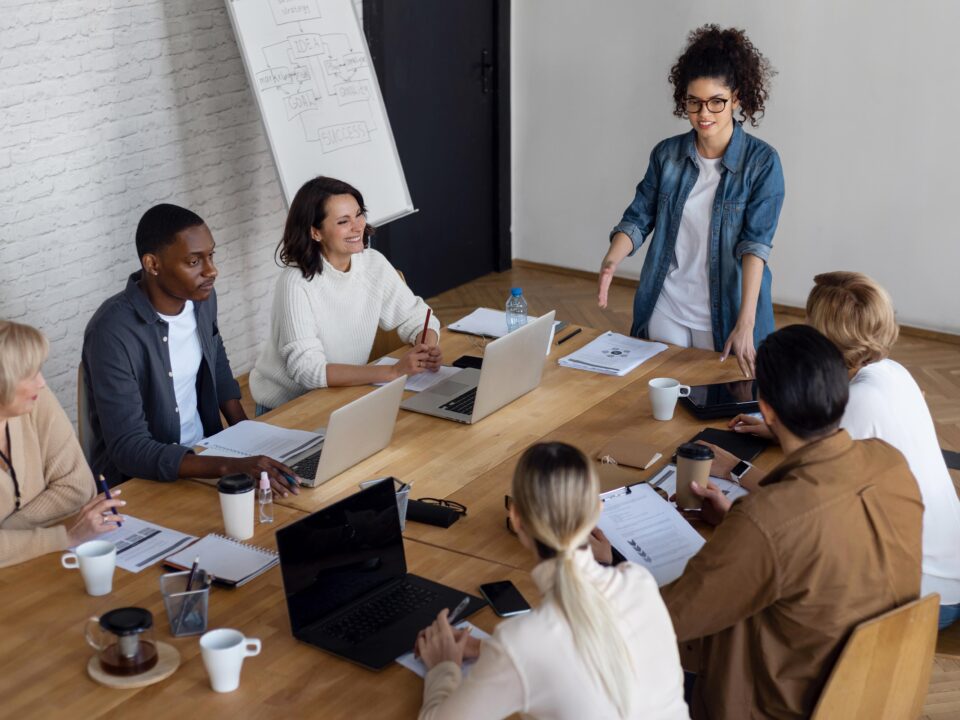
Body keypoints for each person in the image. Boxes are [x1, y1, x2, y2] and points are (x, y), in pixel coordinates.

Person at [658, 325, 922, 719]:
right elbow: (823, 521)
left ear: (764, 408)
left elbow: (668, 619)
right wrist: (741, 528)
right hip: (878, 689)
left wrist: (603, 563)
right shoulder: (890, 462)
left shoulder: (767, 522)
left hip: (784, 704)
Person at [725, 271, 960, 630]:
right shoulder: (892, 372)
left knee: (771, 580)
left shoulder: (860, 400)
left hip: (922, 595)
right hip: (945, 568)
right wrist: (779, 429)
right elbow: (847, 440)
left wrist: (733, 468)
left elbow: (797, 500)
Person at [414, 442, 689, 720]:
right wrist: (488, 650)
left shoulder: (521, 643)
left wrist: (443, 666)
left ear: (516, 518)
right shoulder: (639, 582)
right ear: (596, 510)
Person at [598, 25, 784, 377]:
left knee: (717, 407)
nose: (704, 113)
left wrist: (745, 323)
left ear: (738, 98)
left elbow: (755, 248)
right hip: (666, 304)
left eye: (717, 101)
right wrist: (612, 259)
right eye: (694, 102)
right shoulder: (667, 155)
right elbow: (638, 218)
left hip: (727, 311)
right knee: (659, 399)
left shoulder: (762, 163)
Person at [82, 204, 298, 496]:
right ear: (152, 264)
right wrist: (227, 467)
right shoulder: (112, 332)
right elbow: (129, 449)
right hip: (144, 483)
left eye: (211, 255)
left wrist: (250, 438)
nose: (211, 270)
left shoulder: (202, 300)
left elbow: (216, 360)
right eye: (194, 261)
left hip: (207, 452)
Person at [250, 176, 442, 412]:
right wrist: (393, 371)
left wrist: (427, 347)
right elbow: (308, 370)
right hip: (290, 408)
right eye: (343, 221)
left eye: (359, 214)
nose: (358, 226)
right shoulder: (296, 283)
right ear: (315, 232)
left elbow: (417, 316)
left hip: (344, 393)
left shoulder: (373, 263)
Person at [0, 320, 126, 568]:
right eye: (29, 374)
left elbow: (78, 487)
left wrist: (10, 533)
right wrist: (65, 536)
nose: (42, 383)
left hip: (37, 564)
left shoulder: (36, 401)